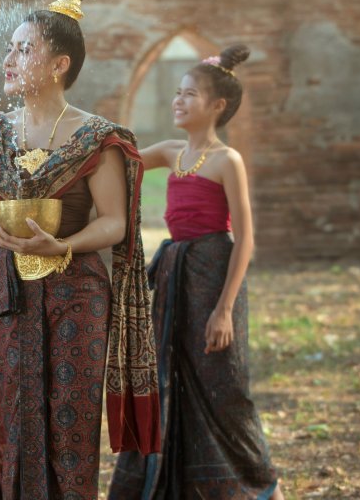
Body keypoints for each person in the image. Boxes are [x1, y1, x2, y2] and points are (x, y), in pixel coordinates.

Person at [0, 0, 161, 499]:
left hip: (76, 293)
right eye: (10, 49)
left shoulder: (95, 137)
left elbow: (114, 224)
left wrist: (62, 246)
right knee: (15, 416)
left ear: (59, 65)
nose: (9, 60)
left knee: (69, 423)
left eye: (24, 49)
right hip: (9, 292)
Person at [108, 46, 283, 499]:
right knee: (168, 378)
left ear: (217, 106)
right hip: (173, 275)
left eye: (190, 95)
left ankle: (265, 487)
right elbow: (114, 164)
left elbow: (244, 239)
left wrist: (224, 310)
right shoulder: (169, 152)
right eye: (178, 93)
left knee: (226, 387)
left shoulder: (229, 160)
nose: (178, 101)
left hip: (213, 274)